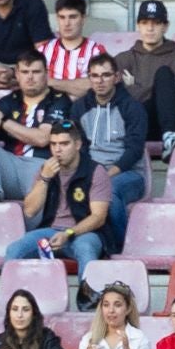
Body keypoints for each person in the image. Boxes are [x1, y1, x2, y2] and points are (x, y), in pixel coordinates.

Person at [11, 123, 112, 286]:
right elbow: (29, 211)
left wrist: (69, 233)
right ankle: (14, 302)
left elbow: (98, 217)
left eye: (64, 144)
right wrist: (44, 178)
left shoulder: (95, 171)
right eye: (53, 144)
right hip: (51, 231)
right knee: (14, 250)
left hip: (83, 232)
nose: (57, 150)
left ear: (77, 145)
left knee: (85, 249)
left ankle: (88, 303)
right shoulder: (46, 169)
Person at [0, 54, 71, 207]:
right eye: (25, 72)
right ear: (17, 74)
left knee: (32, 210)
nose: (30, 77)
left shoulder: (59, 100)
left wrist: (4, 122)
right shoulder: (10, 99)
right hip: (12, 165)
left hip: (42, 166)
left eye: (36, 72)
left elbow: (42, 138)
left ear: (47, 73)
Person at [73, 53, 149, 245]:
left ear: (116, 77)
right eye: (95, 76)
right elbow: (78, 147)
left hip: (129, 174)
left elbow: (134, 150)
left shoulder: (132, 107)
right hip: (91, 171)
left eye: (106, 75)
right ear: (89, 78)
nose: (100, 81)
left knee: (110, 193)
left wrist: (105, 175)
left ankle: (120, 248)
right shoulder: (79, 107)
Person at [114, 0, 175, 154]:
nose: (150, 28)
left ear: (165, 26)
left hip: (168, 122)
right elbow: (119, 98)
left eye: (156, 23)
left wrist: (133, 85)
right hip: (135, 123)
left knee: (164, 74)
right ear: (138, 26)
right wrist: (159, 91)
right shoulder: (123, 59)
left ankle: (169, 137)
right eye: (144, 22)